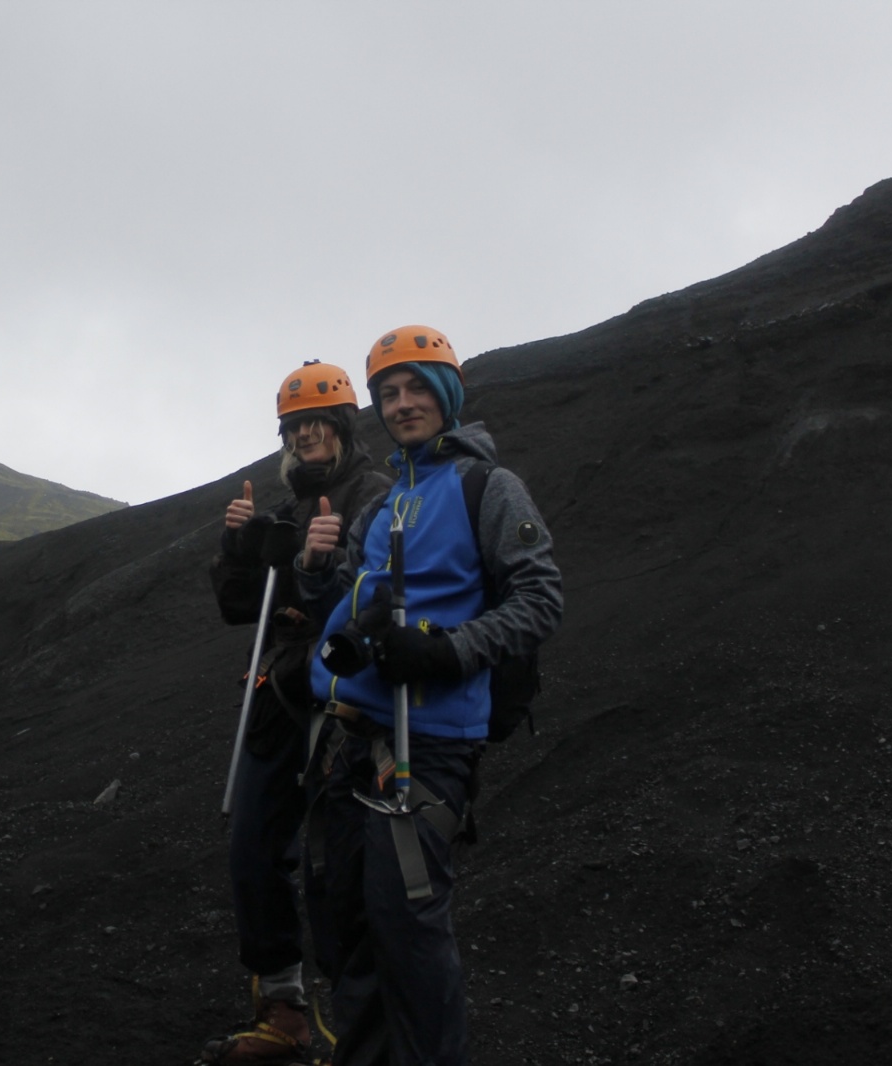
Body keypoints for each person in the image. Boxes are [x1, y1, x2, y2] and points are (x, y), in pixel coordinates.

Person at [297, 326, 562, 1066]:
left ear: (447, 395)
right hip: (353, 741)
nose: (402, 404)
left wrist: (445, 651)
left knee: (408, 932)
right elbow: (341, 602)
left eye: (417, 388)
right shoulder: (385, 503)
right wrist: (314, 571)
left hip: (428, 744)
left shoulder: (489, 488)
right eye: (388, 393)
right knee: (351, 929)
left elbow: (541, 599)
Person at [203, 360, 395, 1066]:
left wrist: (315, 576)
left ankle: (355, 1028)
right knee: (253, 847)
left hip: (344, 698)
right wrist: (237, 549)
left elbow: (376, 597)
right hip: (280, 693)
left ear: (343, 425)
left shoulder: (375, 496)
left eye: (317, 422)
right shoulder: (286, 509)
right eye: (293, 427)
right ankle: (282, 1011)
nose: (305, 435)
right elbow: (239, 607)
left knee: (334, 868)